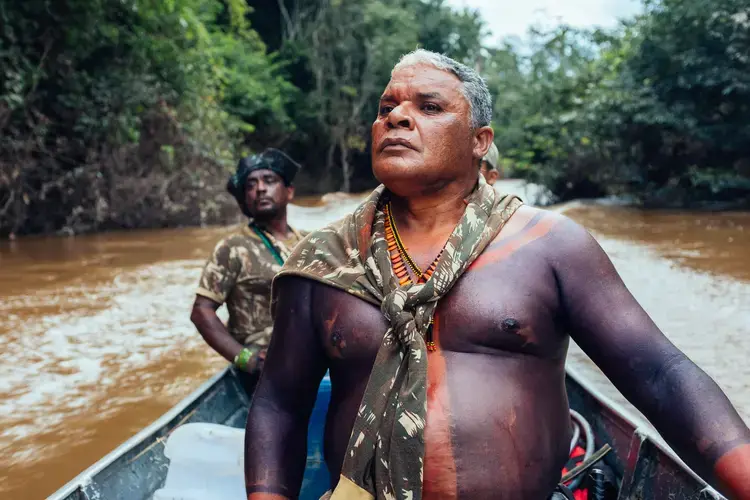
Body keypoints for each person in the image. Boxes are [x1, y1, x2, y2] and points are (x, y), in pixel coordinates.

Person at [244, 49, 750, 500]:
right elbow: (280, 404)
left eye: (429, 106)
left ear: (479, 141)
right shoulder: (323, 259)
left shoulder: (549, 245)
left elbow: (661, 375)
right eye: (386, 108)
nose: (397, 117)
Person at [190, 148, 306, 396]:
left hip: (313, 361)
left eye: (270, 180)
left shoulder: (310, 243)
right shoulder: (233, 248)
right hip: (267, 372)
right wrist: (246, 360)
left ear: (289, 192)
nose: (260, 189)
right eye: (251, 185)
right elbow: (201, 312)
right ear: (245, 199)